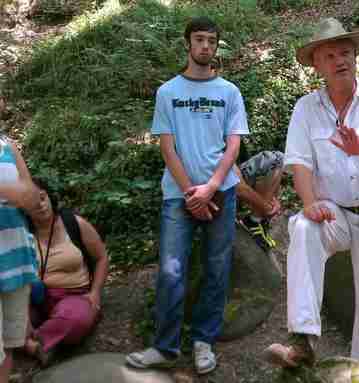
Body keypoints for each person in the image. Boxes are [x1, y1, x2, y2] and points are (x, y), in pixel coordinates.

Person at [262, 18, 359, 368]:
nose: (339, 60)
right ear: (317, 65)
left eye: (345, 52)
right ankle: (302, 340)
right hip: (337, 213)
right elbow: (300, 163)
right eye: (329, 55)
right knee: (303, 226)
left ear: (356, 56)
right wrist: (310, 202)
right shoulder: (306, 109)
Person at [126, 16, 249, 374]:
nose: (205, 46)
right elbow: (167, 147)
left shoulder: (229, 91)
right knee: (171, 270)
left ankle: (203, 342)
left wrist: (210, 187)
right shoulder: (168, 92)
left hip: (221, 192)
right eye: (199, 40)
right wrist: (190, 193)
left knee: (216, 268)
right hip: (177, 196)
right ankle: (164, 347)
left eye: (211, 40)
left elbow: (234, 145)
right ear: (187, 44)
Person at [23, 178, 108, 366]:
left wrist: (95, 293)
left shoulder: (74, 223)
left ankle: (31, 341)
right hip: (35, 298)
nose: (40, 205)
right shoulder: (22, 233)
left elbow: (101, 258)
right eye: (32, 202)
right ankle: (39, 341)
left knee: (76, 320)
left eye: (42, 198)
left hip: (74, 296)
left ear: (50, 197)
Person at [0, 136, 39, 383]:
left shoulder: (7, 145)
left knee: (9, 344)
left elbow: (33, 199)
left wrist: (22, 194)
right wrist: (12, 191)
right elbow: (21, 193)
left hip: (15, 260)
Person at [234, 147, 284, 251]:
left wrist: (273, 199)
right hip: (220, 191)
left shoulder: (233, 136)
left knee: (278, 158)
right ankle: (253, 221)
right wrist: (267, 208)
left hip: (235, 183)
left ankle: (257, 220)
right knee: (272, 159)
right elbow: (238, 186)